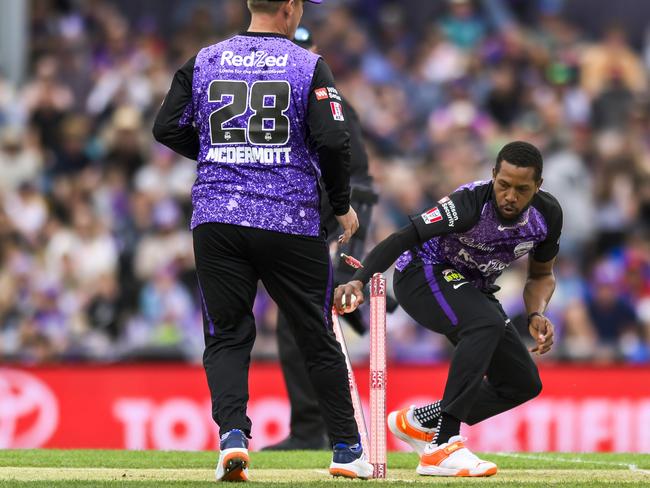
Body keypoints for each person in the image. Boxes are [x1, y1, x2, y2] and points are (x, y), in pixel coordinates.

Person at [153, 0, 373, 481]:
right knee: (315, 334)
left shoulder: (205, 59)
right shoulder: (308, 65)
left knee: (228, 334)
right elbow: (336, 142)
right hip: (288, 219)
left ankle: (233, 437)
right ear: (291, 8)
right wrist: (340, 203)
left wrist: (218, 155)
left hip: (217, 217)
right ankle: (346, 448)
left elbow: (164, 126)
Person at [335, 141, 563, 477]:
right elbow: (403, 238)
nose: (510, 196)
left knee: (522, 383)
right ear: (493, 176)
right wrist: (359, 280)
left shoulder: (548, 215)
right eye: (503, 185)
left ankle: (420, 422)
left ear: (538, 187)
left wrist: (535, 313)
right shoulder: (468, 204)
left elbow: (541, 275)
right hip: (421, 274)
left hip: (473, 287)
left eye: (521, 189)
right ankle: (441, 446)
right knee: (484, 324)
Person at [263, 26, 377, 451]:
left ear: (314, 51)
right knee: (303, 314)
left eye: (303, 47)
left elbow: (351, 172)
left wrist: (344, 236)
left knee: (316, 307)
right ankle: (314, 428)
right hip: (315, 213)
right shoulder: (287, 94)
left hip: (341, 212)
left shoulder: (325, 96)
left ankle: (315, 429)